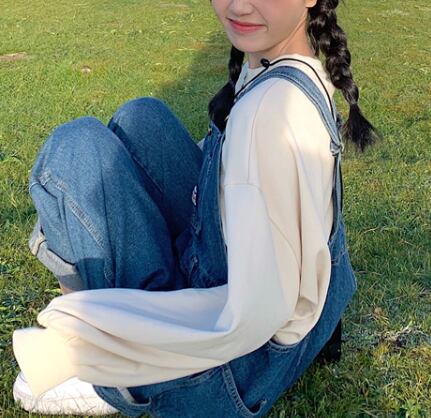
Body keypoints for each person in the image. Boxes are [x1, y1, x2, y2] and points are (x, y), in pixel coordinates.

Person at [12, 0, 380, 416]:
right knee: (141, 117)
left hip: (232, 374)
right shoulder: (298, 68)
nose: (238, 5)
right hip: (283, 312)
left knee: (73, 149)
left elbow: (250, 317)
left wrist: (87, 345)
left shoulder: (267, 116)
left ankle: (118, 373)